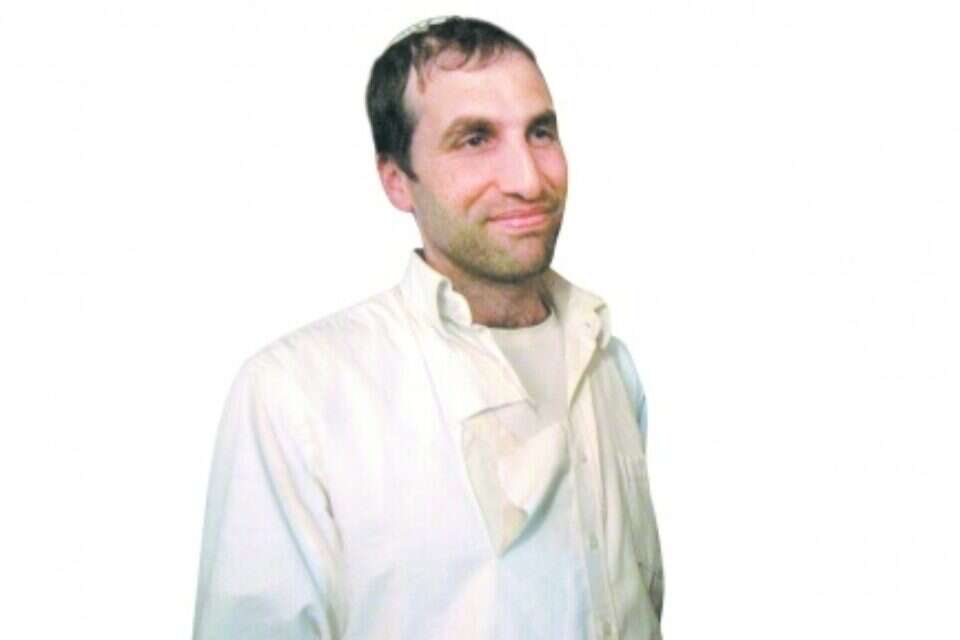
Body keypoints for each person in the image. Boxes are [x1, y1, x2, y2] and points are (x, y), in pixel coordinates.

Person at [192, 15, 664, 640]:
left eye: (540, 132)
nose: (529, 180)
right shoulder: (296, 395)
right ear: (396, 181)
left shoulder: (608, 365)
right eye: (475, 139)